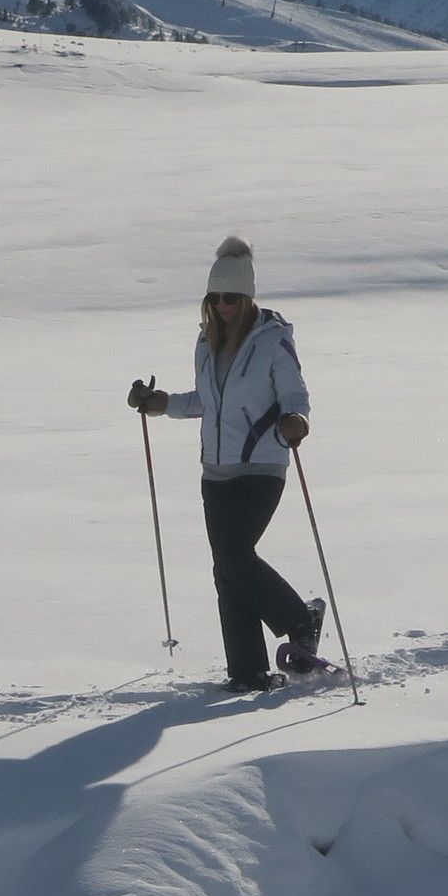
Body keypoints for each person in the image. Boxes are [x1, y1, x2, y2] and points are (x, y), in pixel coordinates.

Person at [128, 236, 324, 688]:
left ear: (248, 297)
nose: (222, 307)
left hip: (261, 468)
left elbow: (294, 395)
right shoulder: (207, 343)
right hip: (215, 474)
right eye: (215, 299)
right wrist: (161, 403)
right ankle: (247, 671)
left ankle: (301, 620)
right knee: (226, 566)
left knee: (235, 557)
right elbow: (209, 402)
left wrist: (296, 420)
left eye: (231, 298)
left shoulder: (272, 341)